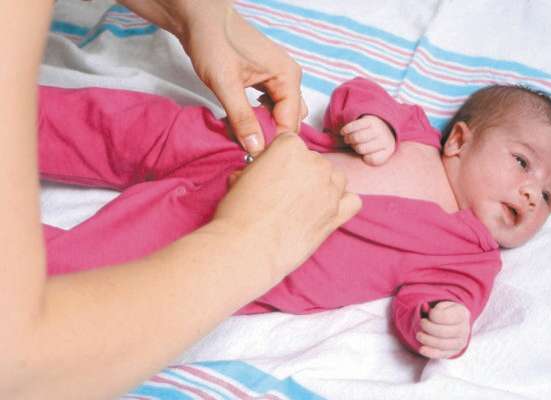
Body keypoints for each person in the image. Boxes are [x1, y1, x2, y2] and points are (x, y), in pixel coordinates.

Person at [37, 76, 551, 362]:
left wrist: (443, 321)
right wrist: (375, 121)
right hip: (244, 147)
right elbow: (357, 93)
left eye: (549, 196)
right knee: (118, 125)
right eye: (522, 163)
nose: (531, 193)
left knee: (93, 275)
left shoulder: (468, 256)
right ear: (459, 140)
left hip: (225, 242)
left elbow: (433, 302)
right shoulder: (413, 133)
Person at [0, 1, 360, 398]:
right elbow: (19, 363)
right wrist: (251, 244)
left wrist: (197, 15)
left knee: (104, 237)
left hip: (255, 168)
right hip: (246, 188)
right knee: (109, 129)